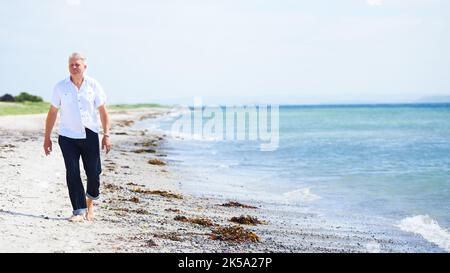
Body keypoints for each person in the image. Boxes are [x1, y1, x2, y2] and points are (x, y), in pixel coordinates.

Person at [43, 52, 112, 222]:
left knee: (94, 173)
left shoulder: (94, 85)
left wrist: (106, 135)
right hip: (67, 136)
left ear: (84, 67)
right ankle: (78, 211)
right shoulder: (60, 87)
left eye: (77, 64)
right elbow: (52, 113)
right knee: (72, 172)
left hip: (90, 134)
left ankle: (90, 203)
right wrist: (47, 137)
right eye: (71, 65)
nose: (74, 67)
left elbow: (103, 112)